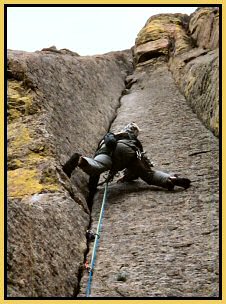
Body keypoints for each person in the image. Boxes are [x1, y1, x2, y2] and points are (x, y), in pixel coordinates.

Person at [63, 122, 191, 210]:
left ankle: (80, 160)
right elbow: (138, 168)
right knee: (149, 175)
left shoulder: (112, 136)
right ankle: (170, 179)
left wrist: (92, 189)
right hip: (129, 152)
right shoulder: (134, 141)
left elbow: (96, 170)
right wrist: (128, 177)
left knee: (98, 165)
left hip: (108, 150)